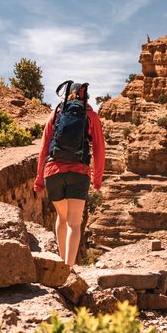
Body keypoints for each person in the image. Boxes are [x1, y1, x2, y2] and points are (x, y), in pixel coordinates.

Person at [34, 81, 105, 267]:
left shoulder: (56, 113)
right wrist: (97, 180)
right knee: (74, 223)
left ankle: (61, 265)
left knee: (62, 217)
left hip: (53, 172)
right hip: (79, 173)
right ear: (85, 96)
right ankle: (69, 268)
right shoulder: (91, 115)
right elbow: (99, 149)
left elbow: (43, 148)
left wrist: (39, 180)